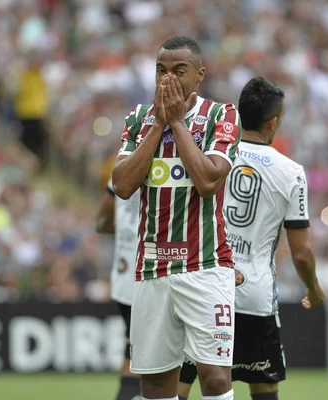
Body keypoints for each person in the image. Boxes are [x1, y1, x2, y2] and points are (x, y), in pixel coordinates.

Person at [177, 77, 325, 400]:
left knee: (181, 383)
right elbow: (301, 254)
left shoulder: (210, 153)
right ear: (273, 123)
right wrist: (313, 288)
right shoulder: (292, 172)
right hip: (254, 297)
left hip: (204, 287)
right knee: (263, 388)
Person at [111, 36, 242, 400]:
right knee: (153, 381)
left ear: (199, 75)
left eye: (178, 71)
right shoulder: (138, 119)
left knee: (214, 376)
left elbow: (208, 181)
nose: (168, 79)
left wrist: (178, 124)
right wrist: (158, 125)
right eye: (161, 70)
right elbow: (121, 185)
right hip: (153, 267)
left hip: (205, 264)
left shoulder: (222, 115)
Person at [95, 178, 141, 400]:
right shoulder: (167, 167)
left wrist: (124, 229)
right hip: (150, 277)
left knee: (132, 353)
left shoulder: (120, 172)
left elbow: (101, 223)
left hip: (123, 279)